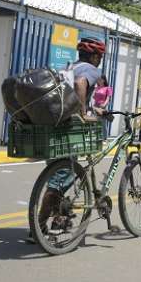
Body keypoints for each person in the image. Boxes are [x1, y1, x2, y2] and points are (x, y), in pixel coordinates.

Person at [29, 37, 106, 243]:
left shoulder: (68, 67)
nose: (100, 60)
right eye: (100, 56)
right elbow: (81, 85)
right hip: (67, 130)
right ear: (95, 56)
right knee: (59, 180)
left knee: (61, 175)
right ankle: (39, 227)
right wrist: (83, 113)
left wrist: (91, 108)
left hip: (53, 128)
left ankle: (59, 220)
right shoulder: (90, 69)